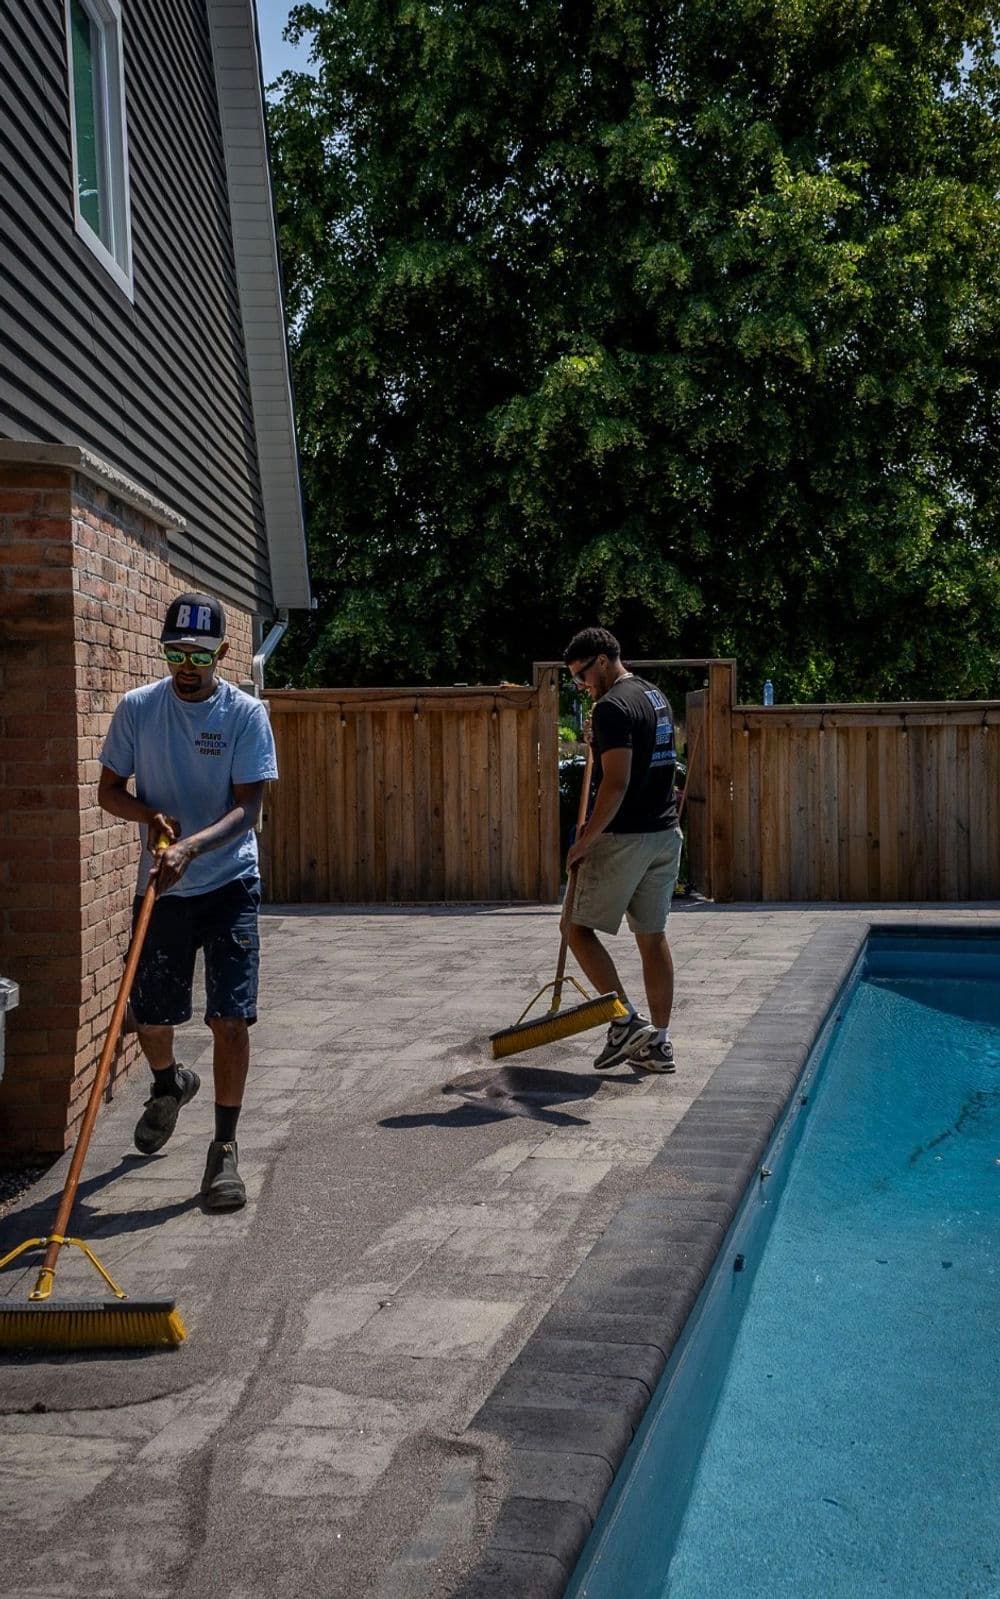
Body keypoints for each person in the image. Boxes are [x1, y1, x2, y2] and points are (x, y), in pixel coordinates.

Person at [97, 592, 278, 1209]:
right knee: (151, 1017)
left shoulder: (245, 714)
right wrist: (149, 816)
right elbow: (108, 791)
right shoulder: (138, 709)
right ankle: (168, 1082)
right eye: (176, 652)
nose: (187, 665)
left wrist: (190, 848)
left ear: (222, 653)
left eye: (200, 654)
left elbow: (249, 810)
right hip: (164, 888)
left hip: (228, 883)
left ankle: (223, 1150)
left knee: (230, 1019)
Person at [562, 627, 682, 1073]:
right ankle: (660, 1043)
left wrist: (584, 842)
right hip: (664, 835)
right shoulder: (654, 695)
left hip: (625, 837)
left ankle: (625, 1020)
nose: (581, 685)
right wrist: (599, 738)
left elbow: (616, 781)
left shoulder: (612, 706)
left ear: (602, 660)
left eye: (581, 675)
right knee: (651, 937)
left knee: (574, 928)